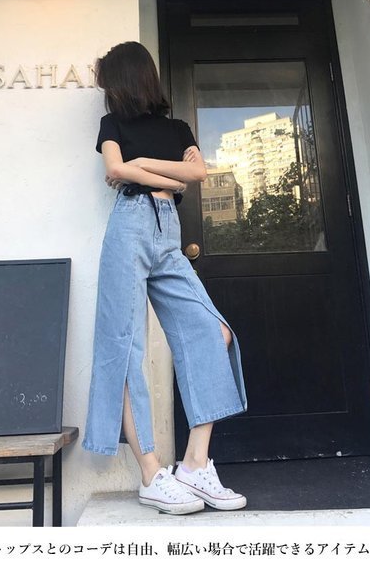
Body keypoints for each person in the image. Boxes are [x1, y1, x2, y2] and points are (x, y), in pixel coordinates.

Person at [81, 41, 248, 515]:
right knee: (124, 345)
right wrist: (168, 177)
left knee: (213, 331)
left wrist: (144, 168)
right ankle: (152, 473)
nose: (106, 91)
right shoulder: (112, 125)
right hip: (130, 227)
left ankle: (194, 464)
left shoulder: (176, 128)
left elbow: (199, 172)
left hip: (167, 234)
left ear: (125, 79)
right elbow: (115, 168)